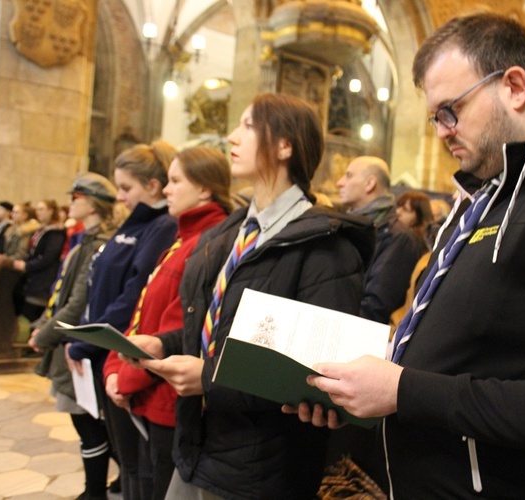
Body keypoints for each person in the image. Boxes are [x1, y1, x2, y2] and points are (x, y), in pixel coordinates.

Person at [291, 12, 525, 499]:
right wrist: (356, 384)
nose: (442, 131)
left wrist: (403, 390)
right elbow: (463, 346)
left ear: (514, 86)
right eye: (435, 117)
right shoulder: (487, 198)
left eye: (451, 109)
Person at [123, 93, 375, 499]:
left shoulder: (327, 247)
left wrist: (209, 377)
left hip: (262, 468)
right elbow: (217, 321)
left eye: (247, 125)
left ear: (284, 145)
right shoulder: (231, 230)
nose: (230, 137)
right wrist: (164, 343)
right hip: (198, 446)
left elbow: (314, 373)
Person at [103, 146, 232, 499]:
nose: (166, 190)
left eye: (176, 181)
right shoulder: (185, 237)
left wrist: (124, 378)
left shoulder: (209, 243)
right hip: (148, 388)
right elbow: (143, 314)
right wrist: (115, 366)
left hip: (166, 394)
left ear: (205, 189)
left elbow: (178, 329)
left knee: (154, 487)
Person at [67, 140, 179, 500]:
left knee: (137, 464)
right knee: (127, 460)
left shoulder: (162, 226)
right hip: (107, 350)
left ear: (152, 185)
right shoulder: (134, 223)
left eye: (127, 188)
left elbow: (134, 297)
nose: (121, 197)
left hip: (123, 349)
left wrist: (89, 340)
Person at [29, 173, 119, 500]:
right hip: (68, 338)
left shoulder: (99, 243)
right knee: (89, 423)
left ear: (92, 202)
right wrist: (42, 324)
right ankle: (114, 482)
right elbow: (61, 291)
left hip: (78, 342)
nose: (70, 202)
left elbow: (81, 301)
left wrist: (46, 334)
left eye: (75, 196)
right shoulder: (84, 238)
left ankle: (94, 492)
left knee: (88, 423)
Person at [336, 156, 423, 324]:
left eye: (348, 175)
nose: (340, 182)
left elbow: (376, 307)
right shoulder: (349, 226)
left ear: (370, 184)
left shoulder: (398, 238)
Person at [10, 199, 67, 322]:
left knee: (31, 314)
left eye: (41, 209)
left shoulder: (56, 232)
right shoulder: (41, 229)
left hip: (43, 280)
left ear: (51, 211)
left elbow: (48, 257)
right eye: (37, 209)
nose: (38, 212)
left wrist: (27, 265)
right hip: (32, 278)